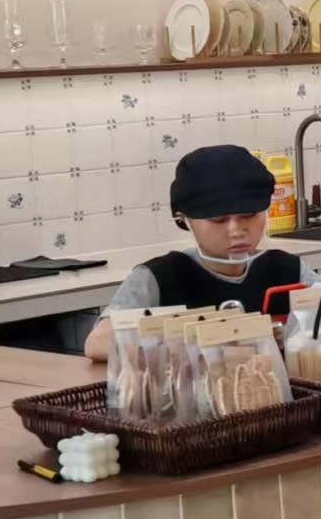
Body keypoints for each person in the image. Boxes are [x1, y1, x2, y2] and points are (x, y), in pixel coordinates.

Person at [83, 145, 306, 362]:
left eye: (249, 215)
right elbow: (98, 342)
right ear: (184, 220)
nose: (236, 230)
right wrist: (205, 343)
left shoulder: (287, 270)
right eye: (218, 220)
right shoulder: (160, 277)